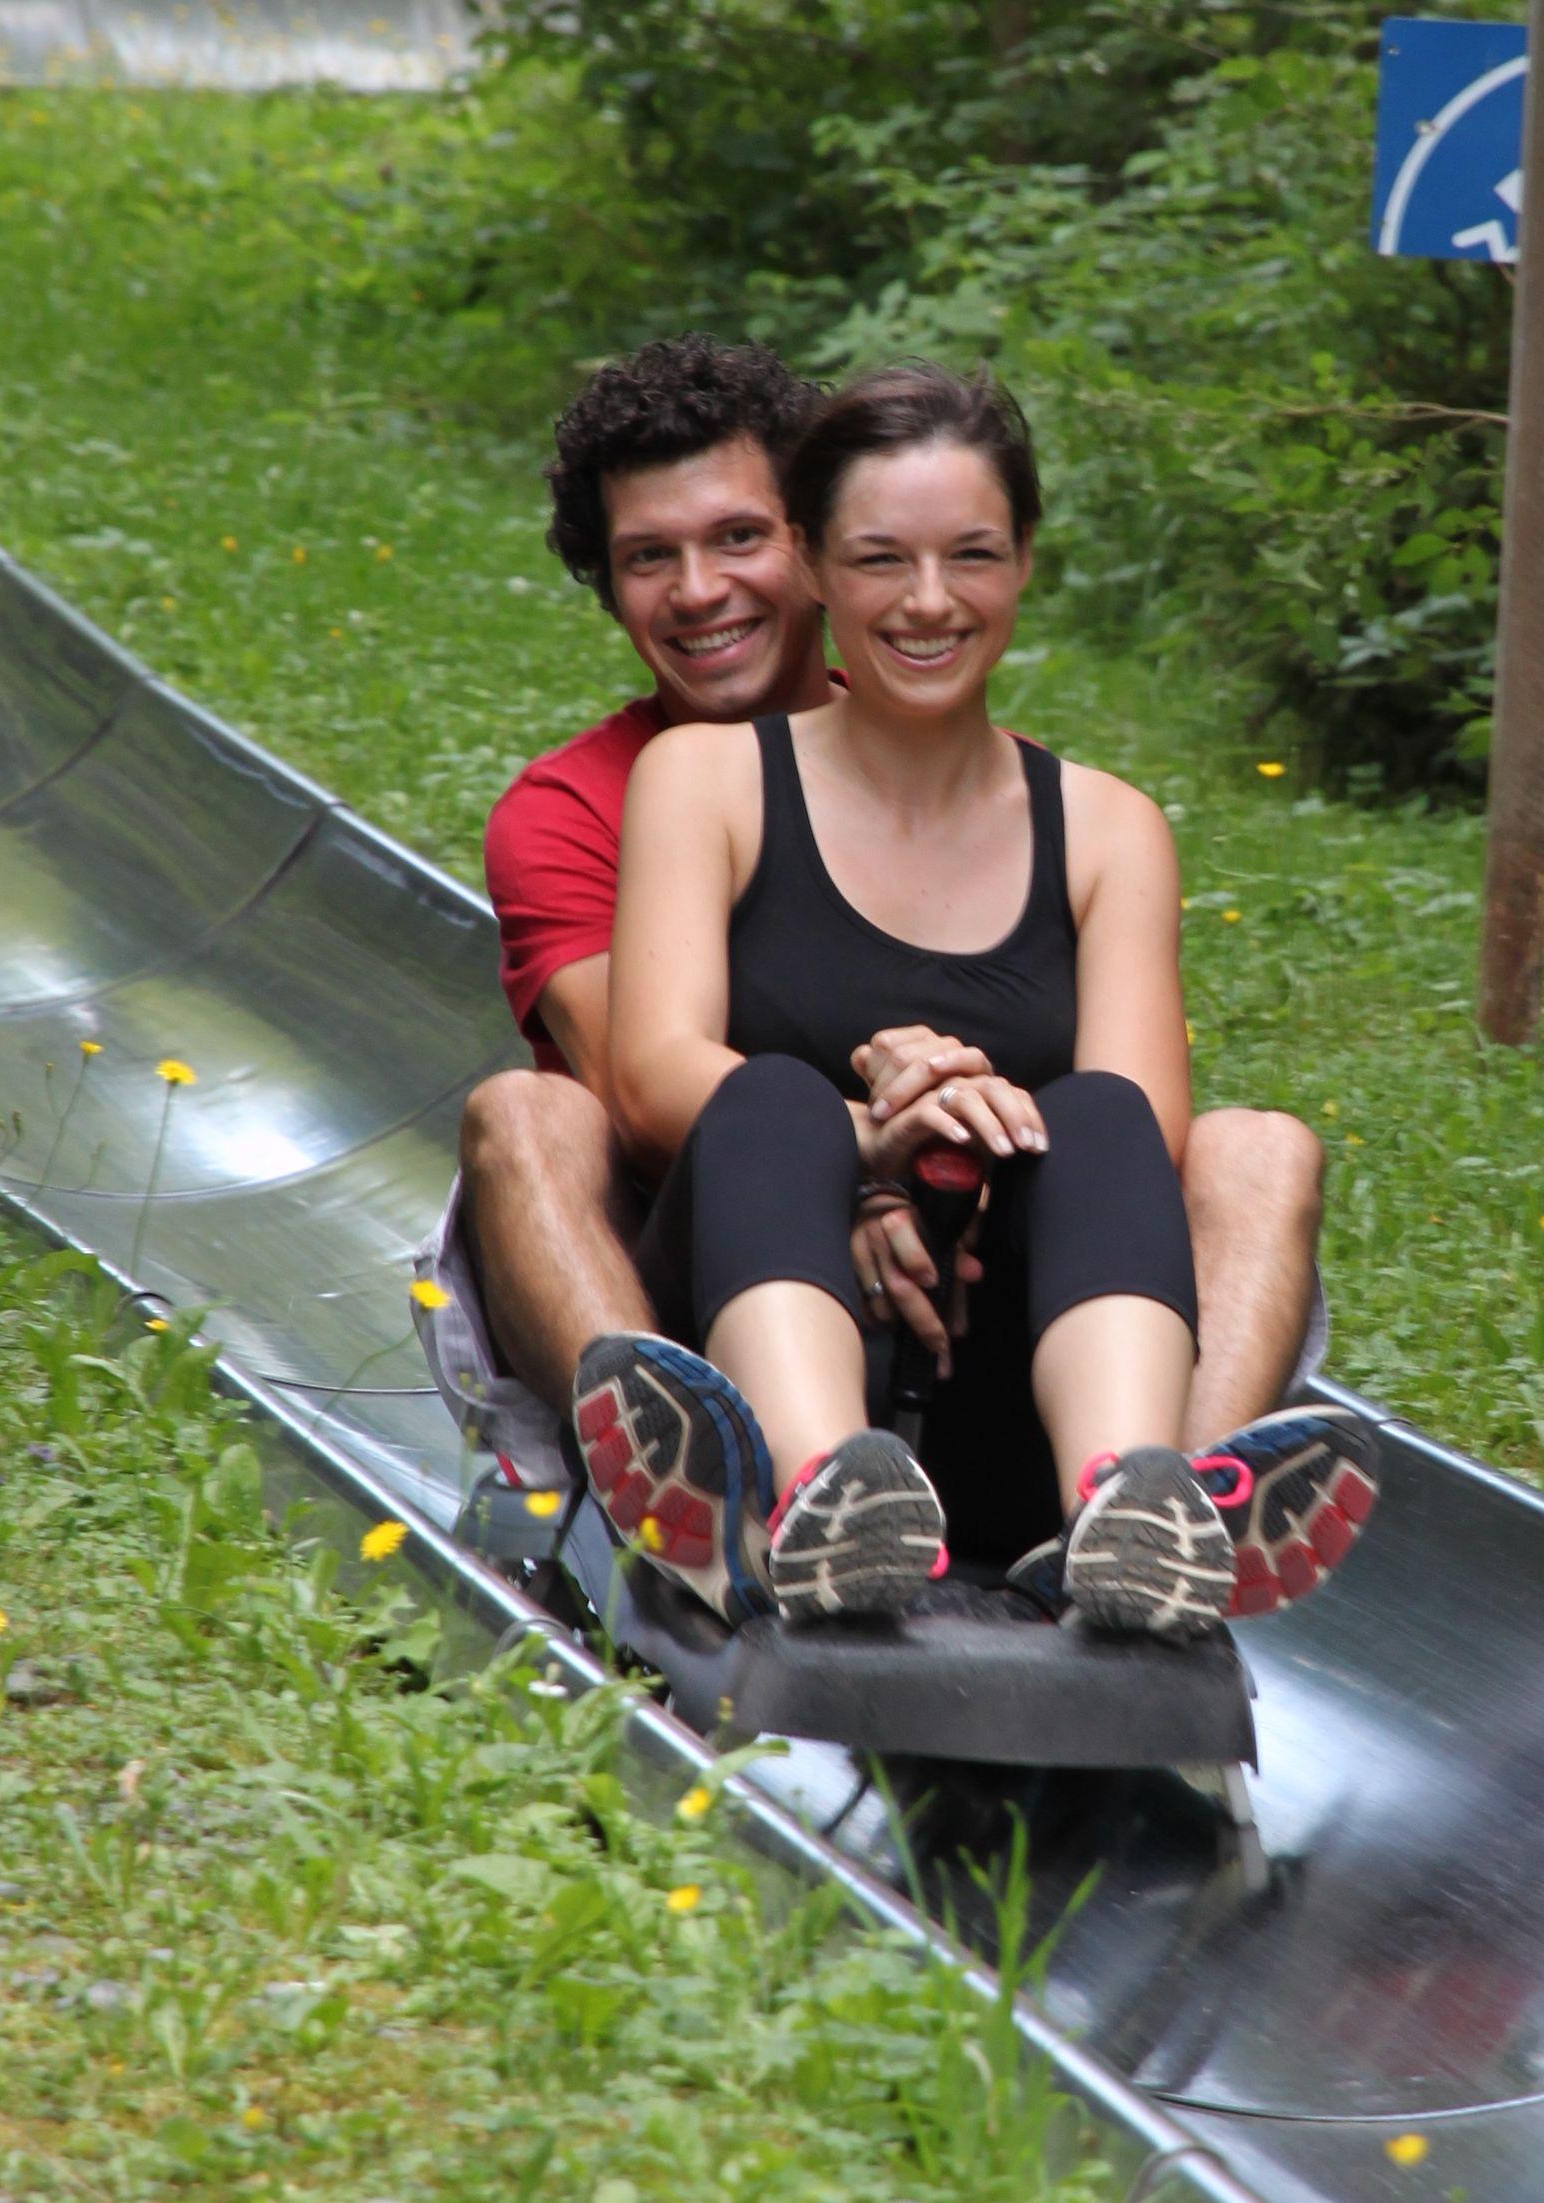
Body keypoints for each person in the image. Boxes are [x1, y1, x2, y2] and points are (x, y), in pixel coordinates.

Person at [416, 335, 1372, 1627]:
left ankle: (1152, 1510)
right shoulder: (661, 792)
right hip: (731, 1265)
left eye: (970, 555)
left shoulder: (1096, 823)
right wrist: (861, 1140)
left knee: (1193, 1131)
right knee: (734, 1103)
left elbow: (1138, 1134)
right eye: (653, 557)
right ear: (832, 563)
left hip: (996, 1310)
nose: (926, 599)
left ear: (1024, 561)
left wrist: (960, 1130)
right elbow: (639, 1081)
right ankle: (769, 1494)